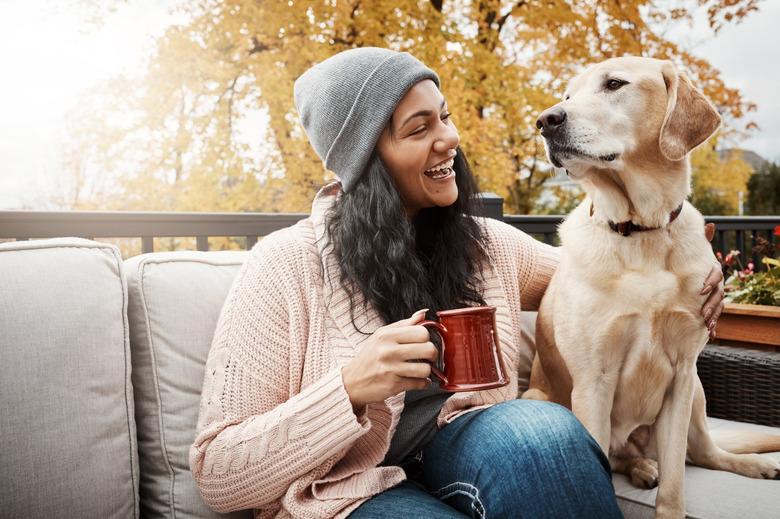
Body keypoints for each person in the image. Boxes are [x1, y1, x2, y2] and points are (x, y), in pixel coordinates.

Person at [189, 47, 724, 519]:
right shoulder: (283, 265)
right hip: (348, 488)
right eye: (419, 129)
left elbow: (603, 277)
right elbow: (218, 474)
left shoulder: (486, 245)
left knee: (543, 433)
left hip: (468, 442)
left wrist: (695, 274)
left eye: (443, 117)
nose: (449, 139)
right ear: (366, 162)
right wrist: (348, 389)